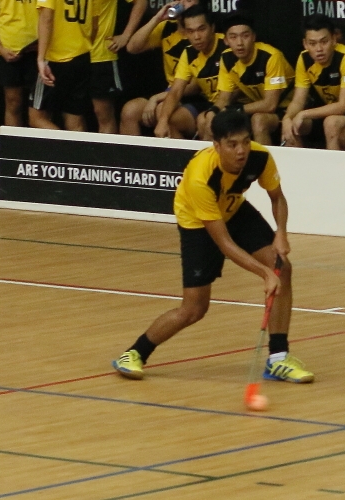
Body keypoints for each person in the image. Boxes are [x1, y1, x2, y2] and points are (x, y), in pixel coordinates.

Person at [112, 110, 314, 384]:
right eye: (232, 145)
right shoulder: (200, 178)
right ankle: (135, 353)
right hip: (198, 222)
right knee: (194, 309)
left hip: (234, 209)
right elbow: (225, 243)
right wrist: (265, 274)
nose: (241, 151)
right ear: (216, 146)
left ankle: (278, 358)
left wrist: (281, 233)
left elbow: (277, 197)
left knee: (283, 269)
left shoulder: (260, 156)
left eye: (245, 142)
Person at [280, 14, 345, 150]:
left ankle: (332, 170)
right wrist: (287, 118)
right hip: (338, 112)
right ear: (305, 44)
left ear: (334, 39)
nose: (319, 49)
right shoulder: (304, 59)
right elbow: (298, 100)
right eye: (312, 43)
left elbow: (344, 106)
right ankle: (300, 169)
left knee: (331, 122)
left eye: (324, 42)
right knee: (295, 124)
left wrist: (304, 113)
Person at [202, 11, 294, 144]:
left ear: (253, 37)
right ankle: (213, 162)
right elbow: (224, 98)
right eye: (233, 37)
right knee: (205, 118)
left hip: (285, 108)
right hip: (255, 106)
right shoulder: (227, 58)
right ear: (226, 40)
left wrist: (234, 110)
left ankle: (264, 163)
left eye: (245, 36)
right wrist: (212, 112)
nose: (239, 43)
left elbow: (270, 105)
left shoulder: (270, 56)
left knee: (258, 120)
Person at [120, 0, 198, 136]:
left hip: (192, 98)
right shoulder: (167, 27)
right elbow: (132, 47)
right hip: (167, 94)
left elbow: (194, 87)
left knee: (163, 112)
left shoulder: (200, 36)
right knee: (130, 111)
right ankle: (134, 157)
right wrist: (157, 19)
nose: (183, 4)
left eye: (189, 0)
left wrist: (156, 98)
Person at [154, 5, 226, 139]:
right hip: (208, 103)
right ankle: (183, 159)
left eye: (201, 29)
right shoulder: (188, 52)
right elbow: (175, 91)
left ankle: (209, 159)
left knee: (204, 120)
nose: (197, 36)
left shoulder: (227, 46)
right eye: (191, 31)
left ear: (212, 28)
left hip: (231, 105)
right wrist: (162, 122)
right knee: (166, 117)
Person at [29, 0, 98, 131]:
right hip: (82, 56)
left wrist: (40, 58)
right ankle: (76, 151)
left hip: (56, 57)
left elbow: (47, 17)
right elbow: (94, 25)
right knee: (75, 120)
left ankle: (62, 148)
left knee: (36, 117)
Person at [0, 0, 39, 127]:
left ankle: (40, 146)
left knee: (40, 109)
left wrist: (45, 43)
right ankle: (13, 145)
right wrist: (0, 48)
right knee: (13, 102)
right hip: (9, 45)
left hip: (39, 47)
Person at [89, 0, 147, 133]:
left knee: (103, 114)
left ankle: (106, 154)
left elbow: (141, 2)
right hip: (73, 56)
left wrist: (126, 35)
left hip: (102, 56)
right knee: (74, 114)